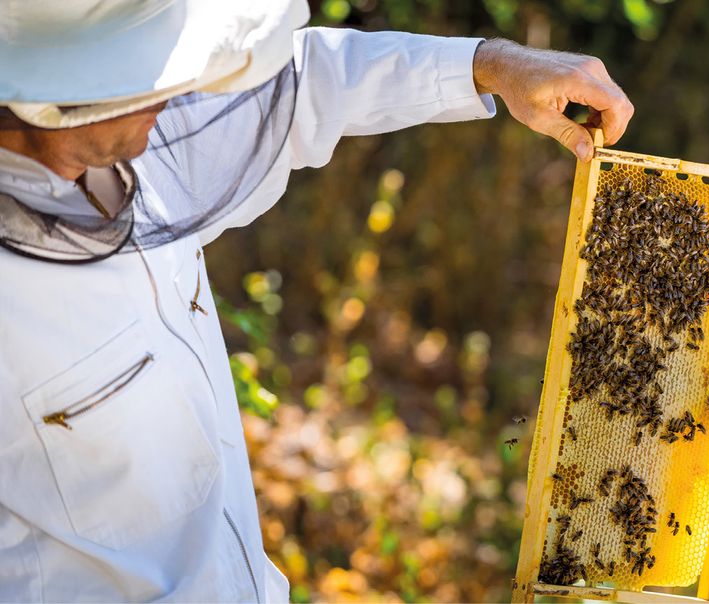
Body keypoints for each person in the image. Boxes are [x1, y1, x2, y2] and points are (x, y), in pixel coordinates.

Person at [0, 0, 632, 601]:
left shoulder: (127, 138)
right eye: (139, 67)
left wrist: (492, 64)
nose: (171, 85)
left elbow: (304, 84)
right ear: (43, 95)